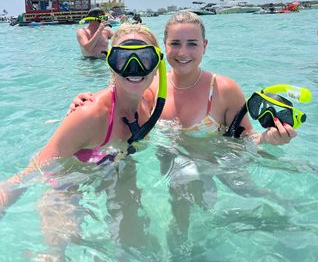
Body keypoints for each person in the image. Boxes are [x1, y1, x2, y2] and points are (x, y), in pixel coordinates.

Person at [0, 23, 166, 217]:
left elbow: (183, 76)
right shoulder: (91, 115)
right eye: (122, 59)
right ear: (111, 65)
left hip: (114, 169)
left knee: (135, 237)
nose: (134, 69)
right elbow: (29, 174)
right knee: (57, 246)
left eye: (145, 58)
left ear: (157, 65)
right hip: (66, 187)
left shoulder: (151, 99)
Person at [70, 11, 296, 145]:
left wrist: (268, 140)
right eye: (175, 44)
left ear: (205, 46)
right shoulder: (152, 87)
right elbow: (118, 100)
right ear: (165, 48)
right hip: (167, 175)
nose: (183, 53)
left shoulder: (223, 90)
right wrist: (85, 102)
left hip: (216, 172)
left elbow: (245, 139)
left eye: (192, 44)